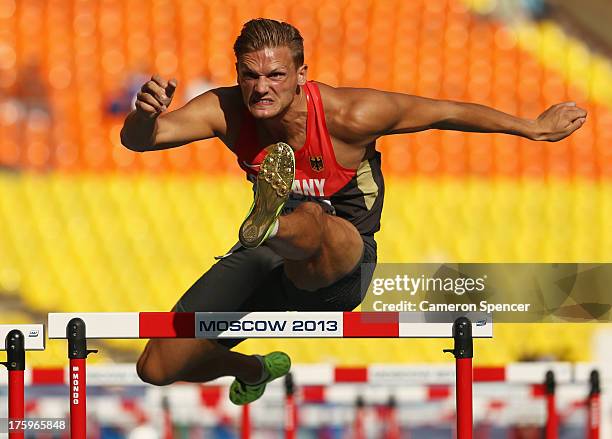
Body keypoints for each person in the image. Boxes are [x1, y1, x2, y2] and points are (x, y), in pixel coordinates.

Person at [120, 18, 587, 405]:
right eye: (250, 76)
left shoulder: (350, 114)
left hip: (342, 264)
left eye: (276, 76)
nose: (261, 89)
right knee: (156, 367)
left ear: (302, 75)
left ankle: (273, 221)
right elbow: (142, 140)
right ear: (238, 73)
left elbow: (443, 111)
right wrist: (143, 116)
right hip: (266, 259)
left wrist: (530, 128)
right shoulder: (224, 110)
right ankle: (254, 368)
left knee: (314, 220)